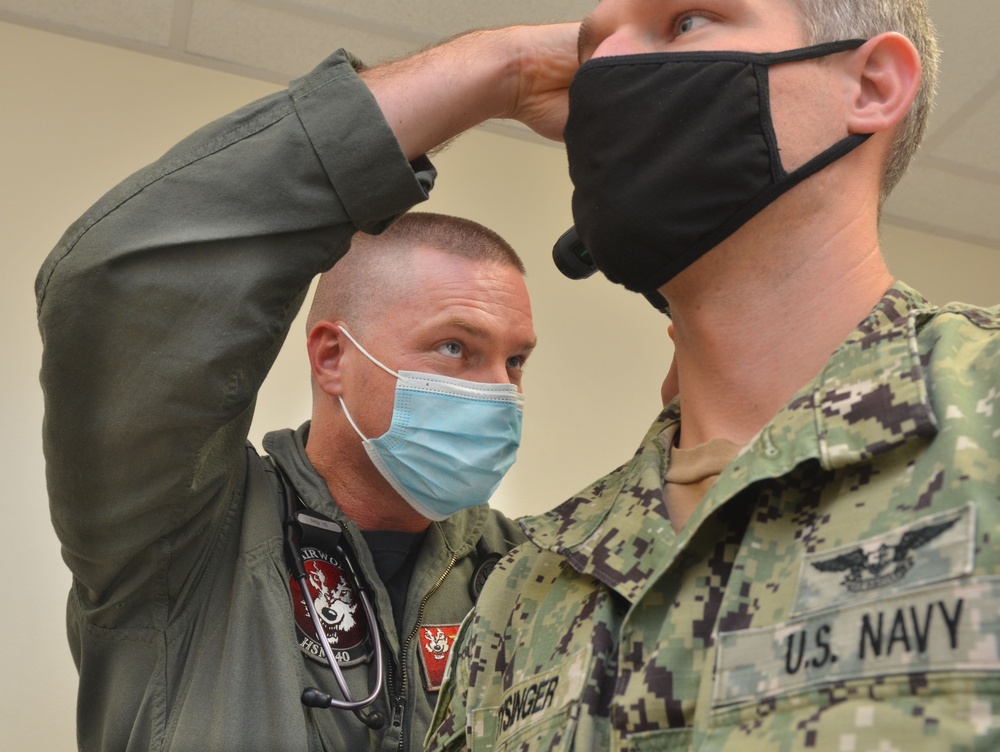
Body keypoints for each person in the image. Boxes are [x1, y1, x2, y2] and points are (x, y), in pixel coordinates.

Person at [426, 1, 1000, 751]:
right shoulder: (525, 587)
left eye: (686, 20)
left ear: (872, 85)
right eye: (591, 49)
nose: (602, 73)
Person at [34, 22, 583, 748]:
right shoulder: (176, 543)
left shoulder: (532, 577)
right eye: (456, 347)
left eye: (516, 362)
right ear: (331, 358)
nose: (499, 391)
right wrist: (503, 72)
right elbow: (124, 289)